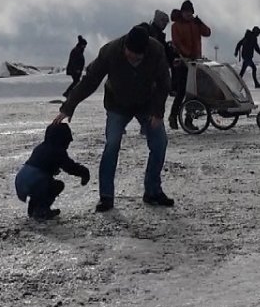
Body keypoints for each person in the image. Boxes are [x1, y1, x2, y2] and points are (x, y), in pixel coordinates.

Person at [55, 25, 173, 212]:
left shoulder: (156, 50)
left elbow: (164, 83)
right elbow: (90, 80)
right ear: (125, 45)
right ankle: (106, 197)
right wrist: (69, 106)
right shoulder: (110, 51)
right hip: (117, 104)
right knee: (112, 144)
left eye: (138, 56)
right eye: (130, 53)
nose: (133, 58)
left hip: (146, 104)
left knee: (160, 143)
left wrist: (158, 112)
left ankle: (153, 191)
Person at [14, 123, 91, 221]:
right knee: (56, 186)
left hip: (21, 179)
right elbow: (70, 167)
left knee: (43, 187)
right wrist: (84, 172)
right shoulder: (57, 151)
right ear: (62, 140)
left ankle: (34, 209)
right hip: (34, 180)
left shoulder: (42, 147)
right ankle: (41, 211)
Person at [169, 0, 212, 128]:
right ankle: (173, 115)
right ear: (182, 12)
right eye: (186, 12)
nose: (188, 15)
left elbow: (207, 33)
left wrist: (201, 23)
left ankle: (189, 119)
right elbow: (177, 42)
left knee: (196, 92)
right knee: (182, 91)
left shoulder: (195, 23)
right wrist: (186, 54)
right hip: (184, 62)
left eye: (190, 12)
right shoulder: (176, 26)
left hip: (196, 62)